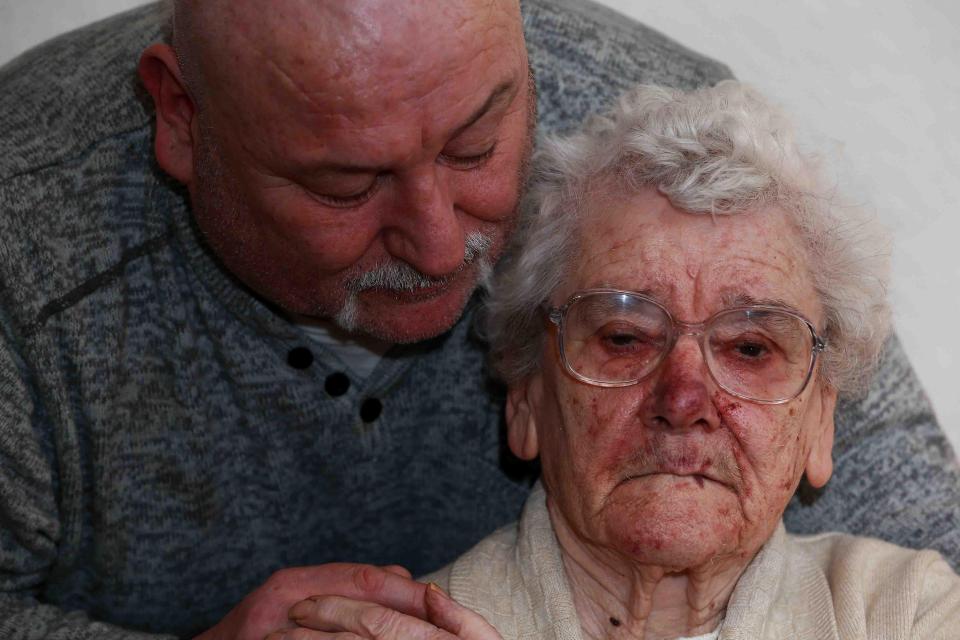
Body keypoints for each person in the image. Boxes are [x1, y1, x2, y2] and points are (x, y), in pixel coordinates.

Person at [0, 1, 956, 638]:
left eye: (476, 147)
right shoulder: (26, 240)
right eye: (346, 182)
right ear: (180, 117)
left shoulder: (636, 165)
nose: (436, 242)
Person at [410, 81, 960, 640]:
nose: (683, 401)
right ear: (525, 396)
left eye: (750, 348)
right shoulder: (398, 628)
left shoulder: (910, 612)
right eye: (624, 337)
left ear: (821, 420)